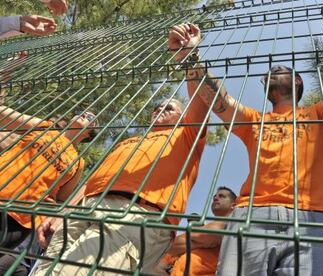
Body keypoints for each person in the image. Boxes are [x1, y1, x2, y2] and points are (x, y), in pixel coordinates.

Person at [168, 0, 323, 275]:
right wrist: (190, 57)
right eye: (270, 73)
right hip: (251, 218)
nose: (273, 72)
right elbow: (219, 100)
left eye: (281, 70)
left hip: (319, 218)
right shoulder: (253, 121)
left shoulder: (320, 113)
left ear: (297, 83)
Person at [34, 72, 209, 273]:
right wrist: (63, 213)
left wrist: (190, 59)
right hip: (85, 206)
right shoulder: (129, 142)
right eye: (157, 107)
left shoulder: (187, 135)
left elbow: (201, 102)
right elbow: (93, 181)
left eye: (169, 108)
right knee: (46, 269)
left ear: (183, 117)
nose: (160, 109)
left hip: (135, 213)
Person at [0, 106, 98, 274]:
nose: (85, 114)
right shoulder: (44, 127)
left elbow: (60, 199)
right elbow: (6, 116)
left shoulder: (78, 163)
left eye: (91, 117)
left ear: (89, 134)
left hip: (21, 217)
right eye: (83, 112)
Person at [158, 187, 236, 276]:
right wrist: (200, 242)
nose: (215, 198)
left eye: (222, 196)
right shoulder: (210, 226)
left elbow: (212, 233)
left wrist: (193, 239)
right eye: (215, 196)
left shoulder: (234, 223)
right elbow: (172, 246)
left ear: (233, 205)